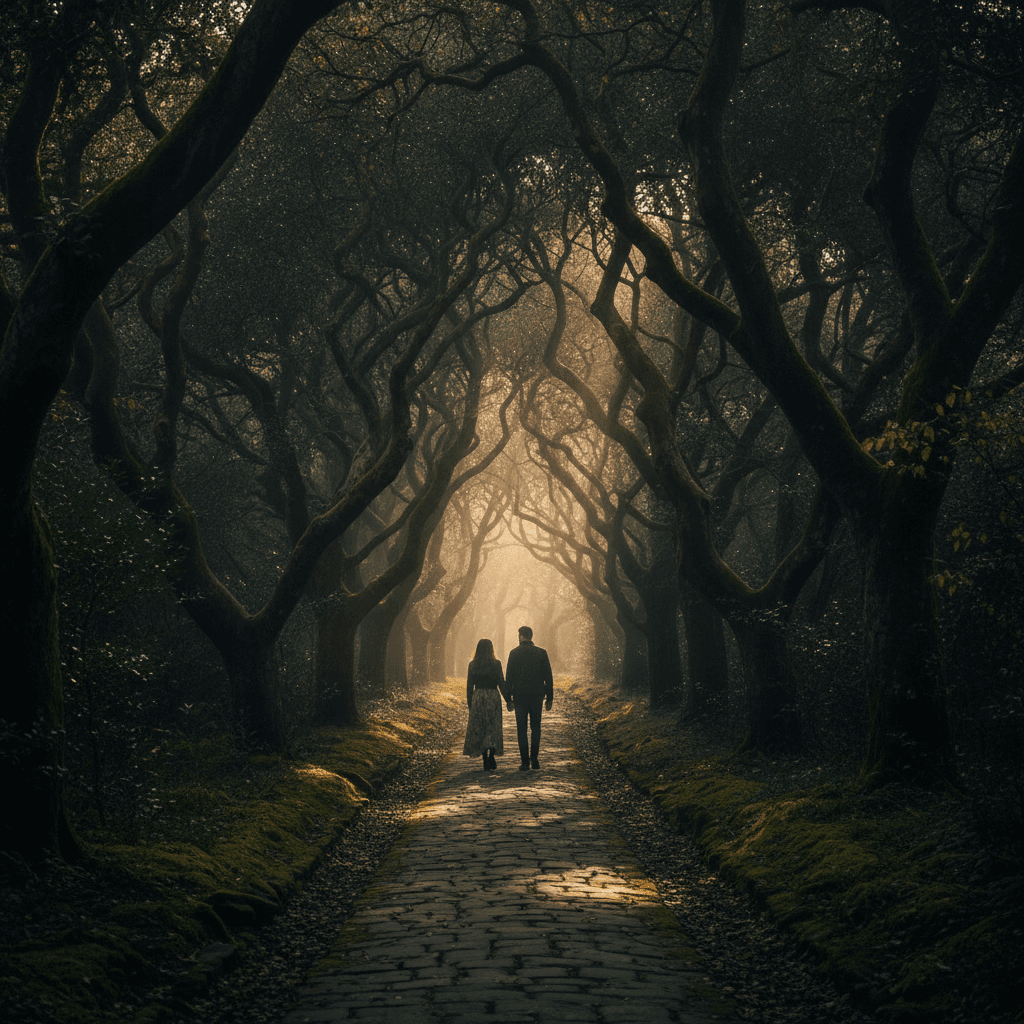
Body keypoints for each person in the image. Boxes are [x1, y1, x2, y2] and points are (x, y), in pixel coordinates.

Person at [504, 625, 554, 770]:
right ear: (531, 636)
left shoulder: (514, 653)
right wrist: (550, 698)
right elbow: (548, 677)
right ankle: (535, 760)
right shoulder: (541, 653)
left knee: (521, 729)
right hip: (537, 695)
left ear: (521, 636)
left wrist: (508, 699)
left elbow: (509, 678)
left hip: (519, 696)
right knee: (536, 728)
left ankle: (524, 761)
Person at [462, 638, 509, 770]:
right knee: (493, 727)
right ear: (491, 649)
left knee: (480, 727)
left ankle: (484, 757)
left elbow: (469, 685)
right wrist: (508, 700)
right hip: (493, 697)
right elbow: (501, 682)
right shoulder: (496, 664)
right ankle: (492, 755)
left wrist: (470, 702)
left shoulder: (473, 665)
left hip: (478, 697)